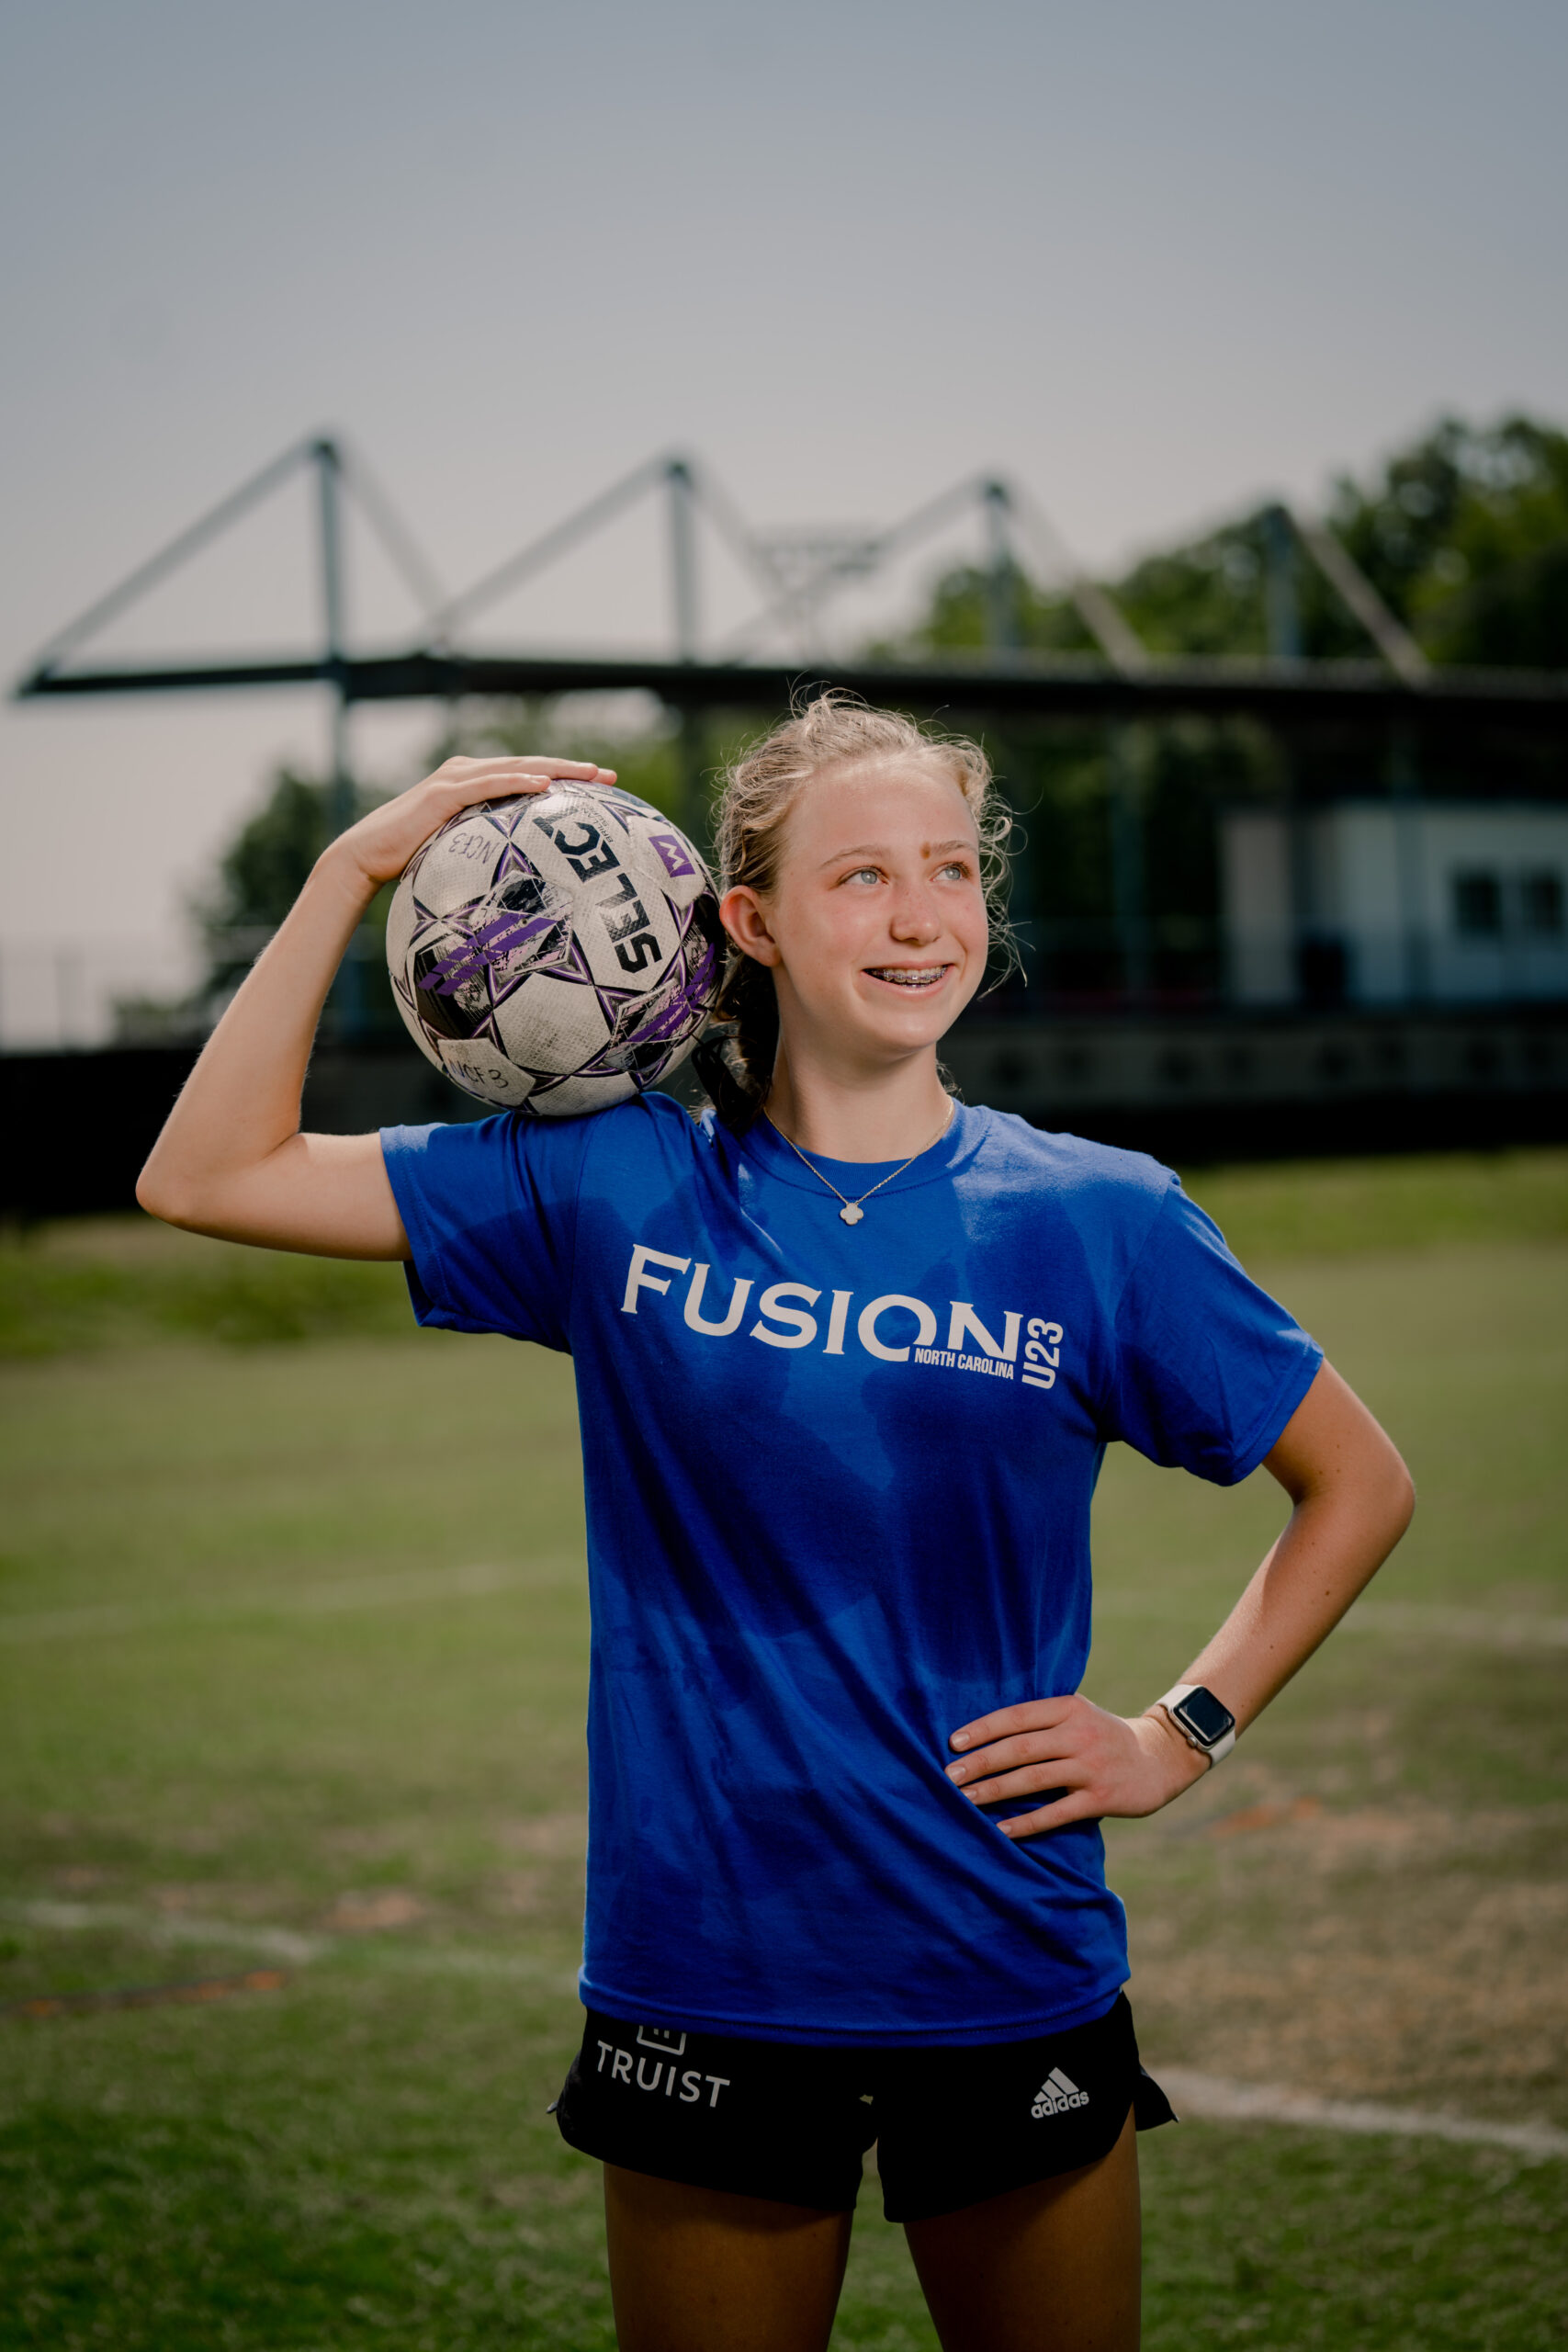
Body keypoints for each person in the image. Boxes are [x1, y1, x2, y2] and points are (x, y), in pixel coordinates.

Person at [137, 695, 1415, 2352]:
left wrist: (1178, 1732)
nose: (920, 916)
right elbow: (203, 1175)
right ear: (746, 924)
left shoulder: (1103, 1219)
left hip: (999, 1949)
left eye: (952, 871)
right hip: (706, 1963)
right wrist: (350, 872)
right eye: (862, 876)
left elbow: (1361, 1482)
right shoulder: (608, 1185)